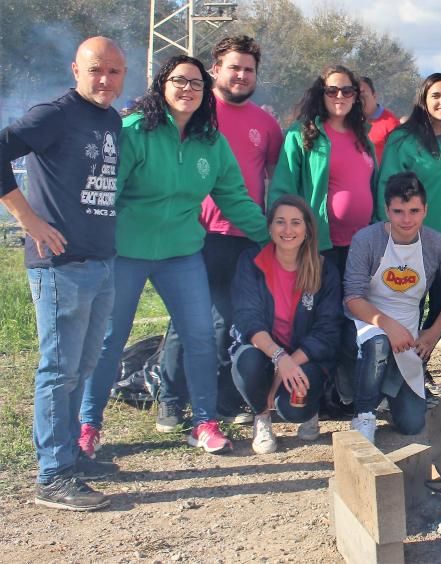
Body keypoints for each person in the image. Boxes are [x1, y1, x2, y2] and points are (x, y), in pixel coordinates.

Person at [79, 55, 270, 456]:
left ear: (206, 93)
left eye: (197, 84)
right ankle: (88, 425)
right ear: (161, 86)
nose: (188, 90)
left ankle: (203, 422)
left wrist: (273, 239)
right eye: (180, 81)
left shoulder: (211, 142)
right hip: (126, 253)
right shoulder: (134, 131)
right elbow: (105, 195)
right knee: (109, 340)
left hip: (181, 253)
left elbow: (235, 198)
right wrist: (91, 247)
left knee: (201, 336)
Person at [0, 37, 125, 511]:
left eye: (115, 72)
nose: (105, 80)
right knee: (57, 371)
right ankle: (52, 475)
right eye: (96, 70)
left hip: (101, 260)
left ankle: (70, 453)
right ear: (76, 69)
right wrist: (27, 219)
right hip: (59, 266)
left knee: (82, 368)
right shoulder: (53, 114)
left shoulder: (111, 120)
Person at [156, 35, 284, 432]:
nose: (242, 75)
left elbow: (274, 180)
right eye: (234, 67)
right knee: (188, 318)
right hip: (198, 235)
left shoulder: (266, 124)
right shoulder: (195, 111)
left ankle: (224, 399)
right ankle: (171, 399)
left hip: (247, 238)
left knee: (235, 319)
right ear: (216, 70)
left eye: (249, 69)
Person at [269, 65, 379, 409]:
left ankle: (346, 395)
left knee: (355, 321)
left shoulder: (363, 136)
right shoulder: (302, 136)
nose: (341, 97)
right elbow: (283, 193)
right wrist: (289, 240)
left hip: (360, 246)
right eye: (333, 91)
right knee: (317, 322)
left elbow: (370, 187)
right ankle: (306, 398)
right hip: (321, 247)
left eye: (348, 91)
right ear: (321, 93)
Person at [344, 172, 441, 442]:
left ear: (425, 210)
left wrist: (434, 332)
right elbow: (353, 298)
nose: (406, 219)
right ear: (386, 210)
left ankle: (386, 395)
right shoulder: (366, 240)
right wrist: (388, 326)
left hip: (409, 335)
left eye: (414, 211)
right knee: (377, 342)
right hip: (366, 324)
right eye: (398, 211)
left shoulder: (437, 244)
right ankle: (364, 414)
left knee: (412, 424)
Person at [229, 195, 344, 454]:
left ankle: (310, 410)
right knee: (247, 362)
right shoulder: (252, 262)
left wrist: (286, 367)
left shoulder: (325, 270)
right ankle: (261, 418)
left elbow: (327, 331)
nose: (288, 230)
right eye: (280, 222)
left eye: (296, 223)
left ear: (307, 230)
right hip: (264, 352)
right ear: (270, 228)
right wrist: (280, 358)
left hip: (306, 357)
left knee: (292, 410)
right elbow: (248, 319)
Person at [376, 73, 441, 345]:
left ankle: (420, 361)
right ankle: (403, 373)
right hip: (412, 240)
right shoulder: (402, 140)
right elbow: (387, 187)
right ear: (423, 100)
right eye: (436, 95)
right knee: (408, 308)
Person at [359, 76, 400, 163]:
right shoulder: (350, 121)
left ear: (374, 95)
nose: (359, 99)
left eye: (362, 93)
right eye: (355, 95)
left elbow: (398, 160)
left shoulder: (391, 124)